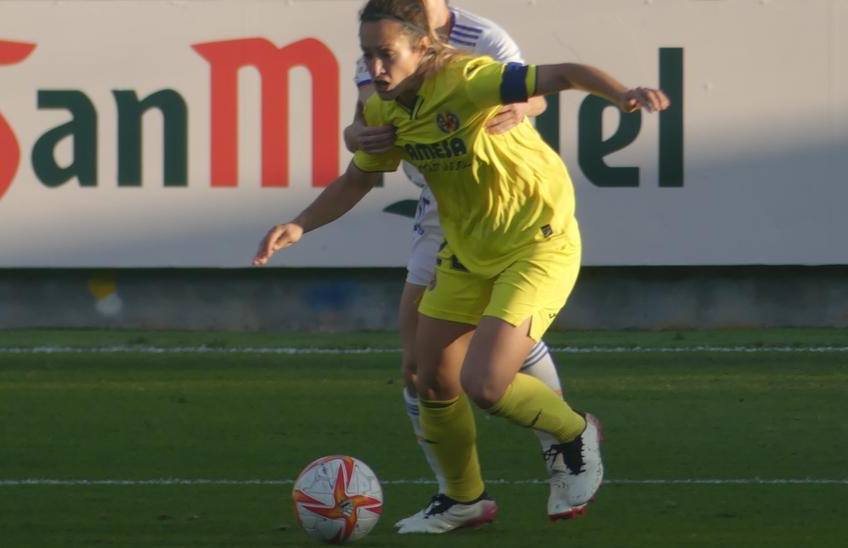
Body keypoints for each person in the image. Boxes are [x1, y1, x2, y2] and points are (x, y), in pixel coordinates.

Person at [254, 0, 669, 534]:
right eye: (368, 55)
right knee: (431, 380)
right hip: (465, 246)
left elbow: (563, 75)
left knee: (487, 385)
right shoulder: (384, 108)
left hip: (535, 240)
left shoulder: (470, 77)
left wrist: (622, 94)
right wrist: (300, 224)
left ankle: (574, 432)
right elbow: (357, 178)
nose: (375, 68)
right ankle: (464, 500)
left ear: (422, 48)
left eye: (387, 55)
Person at [339, 0, 582, 525]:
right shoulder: (382, 40)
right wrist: (356, 137)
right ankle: (463, 498)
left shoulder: (482, 37)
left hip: (500, 204)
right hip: (439, 210)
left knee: (493, 360)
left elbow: (533, 93)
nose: (377, 64)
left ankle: (562, 438)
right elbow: (365, 124)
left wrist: (516, 108)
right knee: (421, 370)